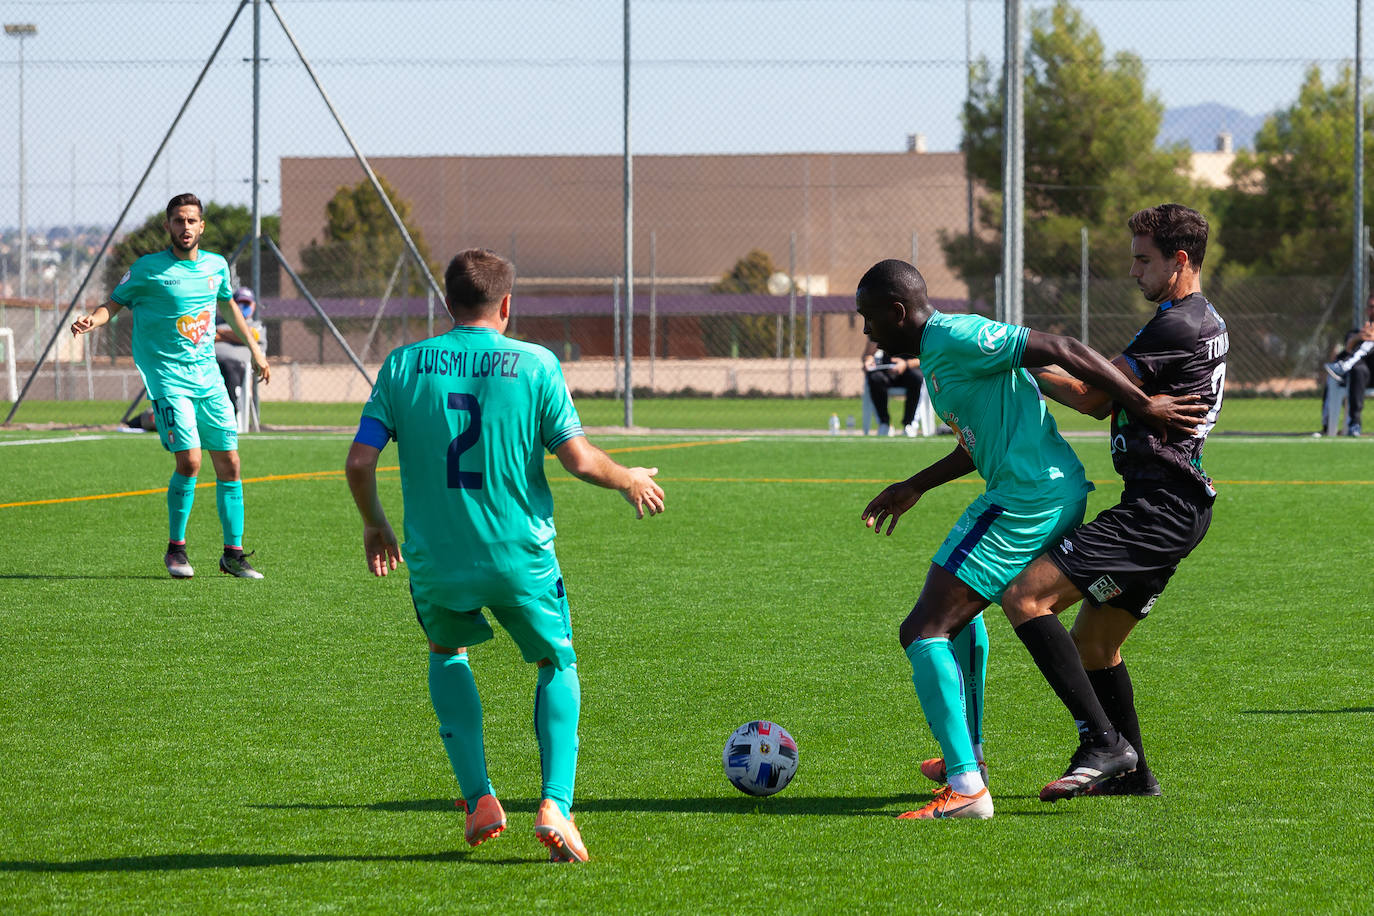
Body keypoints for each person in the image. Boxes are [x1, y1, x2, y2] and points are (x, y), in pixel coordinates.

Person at [345, 248, 665, 862]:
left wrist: (375, 526)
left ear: (447, 303)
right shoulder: (536, 364)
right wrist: (628, 478)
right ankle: (554, 804)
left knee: (447, 653)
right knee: (555, 662)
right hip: (522, 556)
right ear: (507, 305)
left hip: (438, 560)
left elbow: (361, 461)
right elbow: (577, 458)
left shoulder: (404, 364)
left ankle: (479, 799)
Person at [856, 258, 1203, 819]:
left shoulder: (955, 334)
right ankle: (966, 759)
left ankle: (969, 785)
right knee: (955, 620)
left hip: (1028, 498)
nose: (867, 330)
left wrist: (1141, 403)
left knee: (923, 629)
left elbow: (1062, 346)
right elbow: (979, 441)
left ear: (898, 311)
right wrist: (914, 485)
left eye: (869, 318)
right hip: (1026, 492)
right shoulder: (943, 360)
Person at [998, 203, 1226, 801]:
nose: (1133, 271)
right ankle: (1133, 776)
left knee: (1025, 596)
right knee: (1095, 646)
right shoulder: (1200, 318)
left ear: (1180, 261)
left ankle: (1102, 742)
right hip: (1174, 507)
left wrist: (1010, 356)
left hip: (1158, 509)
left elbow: (1091, 397)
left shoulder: (1177, 324)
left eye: (1143, 260)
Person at [72, 193, 270, 579]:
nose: (185, 227)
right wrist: (93, 321)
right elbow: (113, 304)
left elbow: (228, 305)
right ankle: (176, 550)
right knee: (191, 460)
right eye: (178, 221)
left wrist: (256, 351)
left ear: (202, 226)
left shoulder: (216, 266)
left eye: (192, 221)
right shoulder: (148, 269)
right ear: (168, 226)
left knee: (230, 463)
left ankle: (233, 554)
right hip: (167, 378)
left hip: (208, 377)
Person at [216, 286, 266, 419]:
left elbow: (249, 335)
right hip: (211, 363)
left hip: (238, 367)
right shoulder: (217, 321)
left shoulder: (256, 325)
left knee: (228, 366)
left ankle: (230, 413)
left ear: (254, 306)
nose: (243, 306)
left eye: (247, 303)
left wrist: (220, 332)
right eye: (239, 302)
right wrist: (237, 335)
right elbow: (207, 336)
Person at [1321, 322, 1374, 437]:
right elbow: (1347, 350)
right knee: (1358, 369)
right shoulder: (1355, 332)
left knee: (1370, 343)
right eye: (1370, 307)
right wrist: (1358, 338)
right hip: (1361, 377)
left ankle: (1344, 366)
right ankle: (1354, 424)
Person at [862, 339, 924, 436]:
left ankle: (910, 423)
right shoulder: (881, 326)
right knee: (875, 378)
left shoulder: (916, 327)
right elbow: (868, 354)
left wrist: (905, 364)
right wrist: (869, 360)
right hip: (887, 371)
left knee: (917, 378)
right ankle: (884, 423)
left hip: (909, 370)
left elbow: (926, 358)